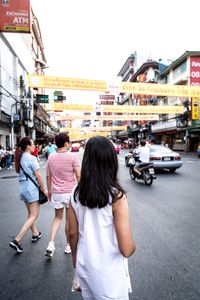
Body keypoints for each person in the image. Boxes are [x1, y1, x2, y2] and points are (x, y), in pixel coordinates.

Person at [68, 136, 135, 299]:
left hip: (85, 266)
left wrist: (75, 258)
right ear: (111, 161)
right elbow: (126, 249)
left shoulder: (76, 192)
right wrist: (133, 247)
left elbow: (71, 233)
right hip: (109, 274)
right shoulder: (116, 195)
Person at [45, 133, 80, 258]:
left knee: (57, 218)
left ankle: (51, 244)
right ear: (66, 143)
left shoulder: (51, 158)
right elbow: (79, 176)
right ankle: (68, 245)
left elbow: (48, 176)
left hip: (56, 193)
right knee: (68, 220)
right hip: (70, 193)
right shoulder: (72, 157)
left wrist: (49, 192)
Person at [9, 137, 47, 253]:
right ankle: (17, 240)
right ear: (27, 146)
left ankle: (35, 233)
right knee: (34, 215)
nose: (34, 146)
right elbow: (38, 176)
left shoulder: (19, 158)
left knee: (30, 214)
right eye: (32, 144)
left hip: (23, 188)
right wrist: (44, 189)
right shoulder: (32, 158)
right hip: (31, 188)